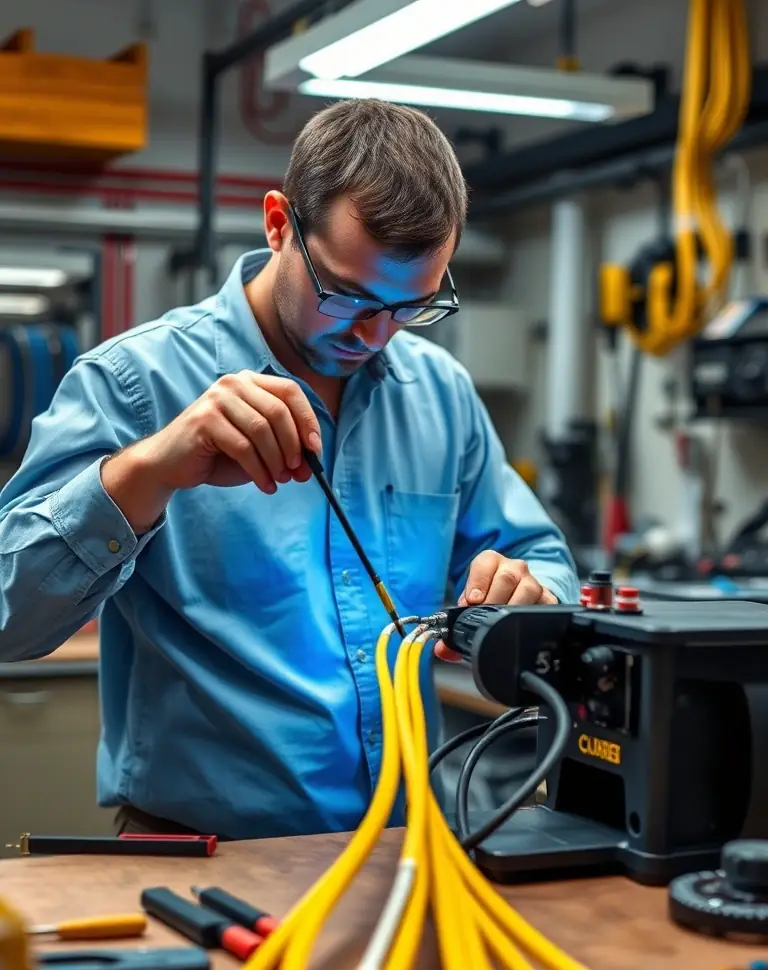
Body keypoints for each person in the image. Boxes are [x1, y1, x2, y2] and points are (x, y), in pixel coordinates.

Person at [0, 99, 578, 840]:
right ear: (279, 222)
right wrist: (145, 472)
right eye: (348, 297)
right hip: (201, 859)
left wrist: (528, 588)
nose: (375, 336)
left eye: (412, 307)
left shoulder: (440, 394)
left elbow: (545, 560)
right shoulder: (136, 383)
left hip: (407, 851)